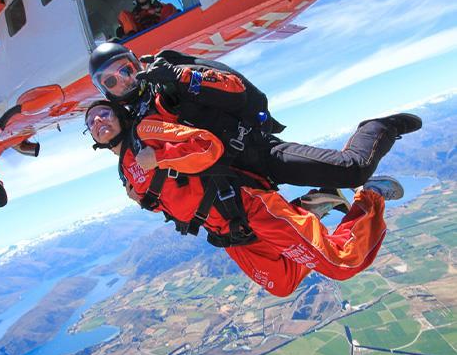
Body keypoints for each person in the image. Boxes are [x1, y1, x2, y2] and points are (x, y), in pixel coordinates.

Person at [84, 101, 403, 297]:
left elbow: (205, 147)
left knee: (343, 263)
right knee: (281, 283)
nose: (97, 121)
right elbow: (170, 200)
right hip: (226, 230)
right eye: (91, 122)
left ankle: (369, 197)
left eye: (102, 113)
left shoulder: (146, 131)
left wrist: (160, 155)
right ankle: (311, 207)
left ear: (119, 115)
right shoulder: (126, 172)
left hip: (244, 204)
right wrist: (143, 199)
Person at [88, 43, 422, 191]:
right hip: (233, 177)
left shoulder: (169, 78)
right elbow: (127, 151)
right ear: (107, 92)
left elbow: (235, 90)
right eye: (112, 81)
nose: (124, 81)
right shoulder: (138, 121)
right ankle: (322, 197)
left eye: (126, 70)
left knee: (353, 171)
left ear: (136, 62)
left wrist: (180, 76)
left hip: (259, 152)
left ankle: (380, 127)